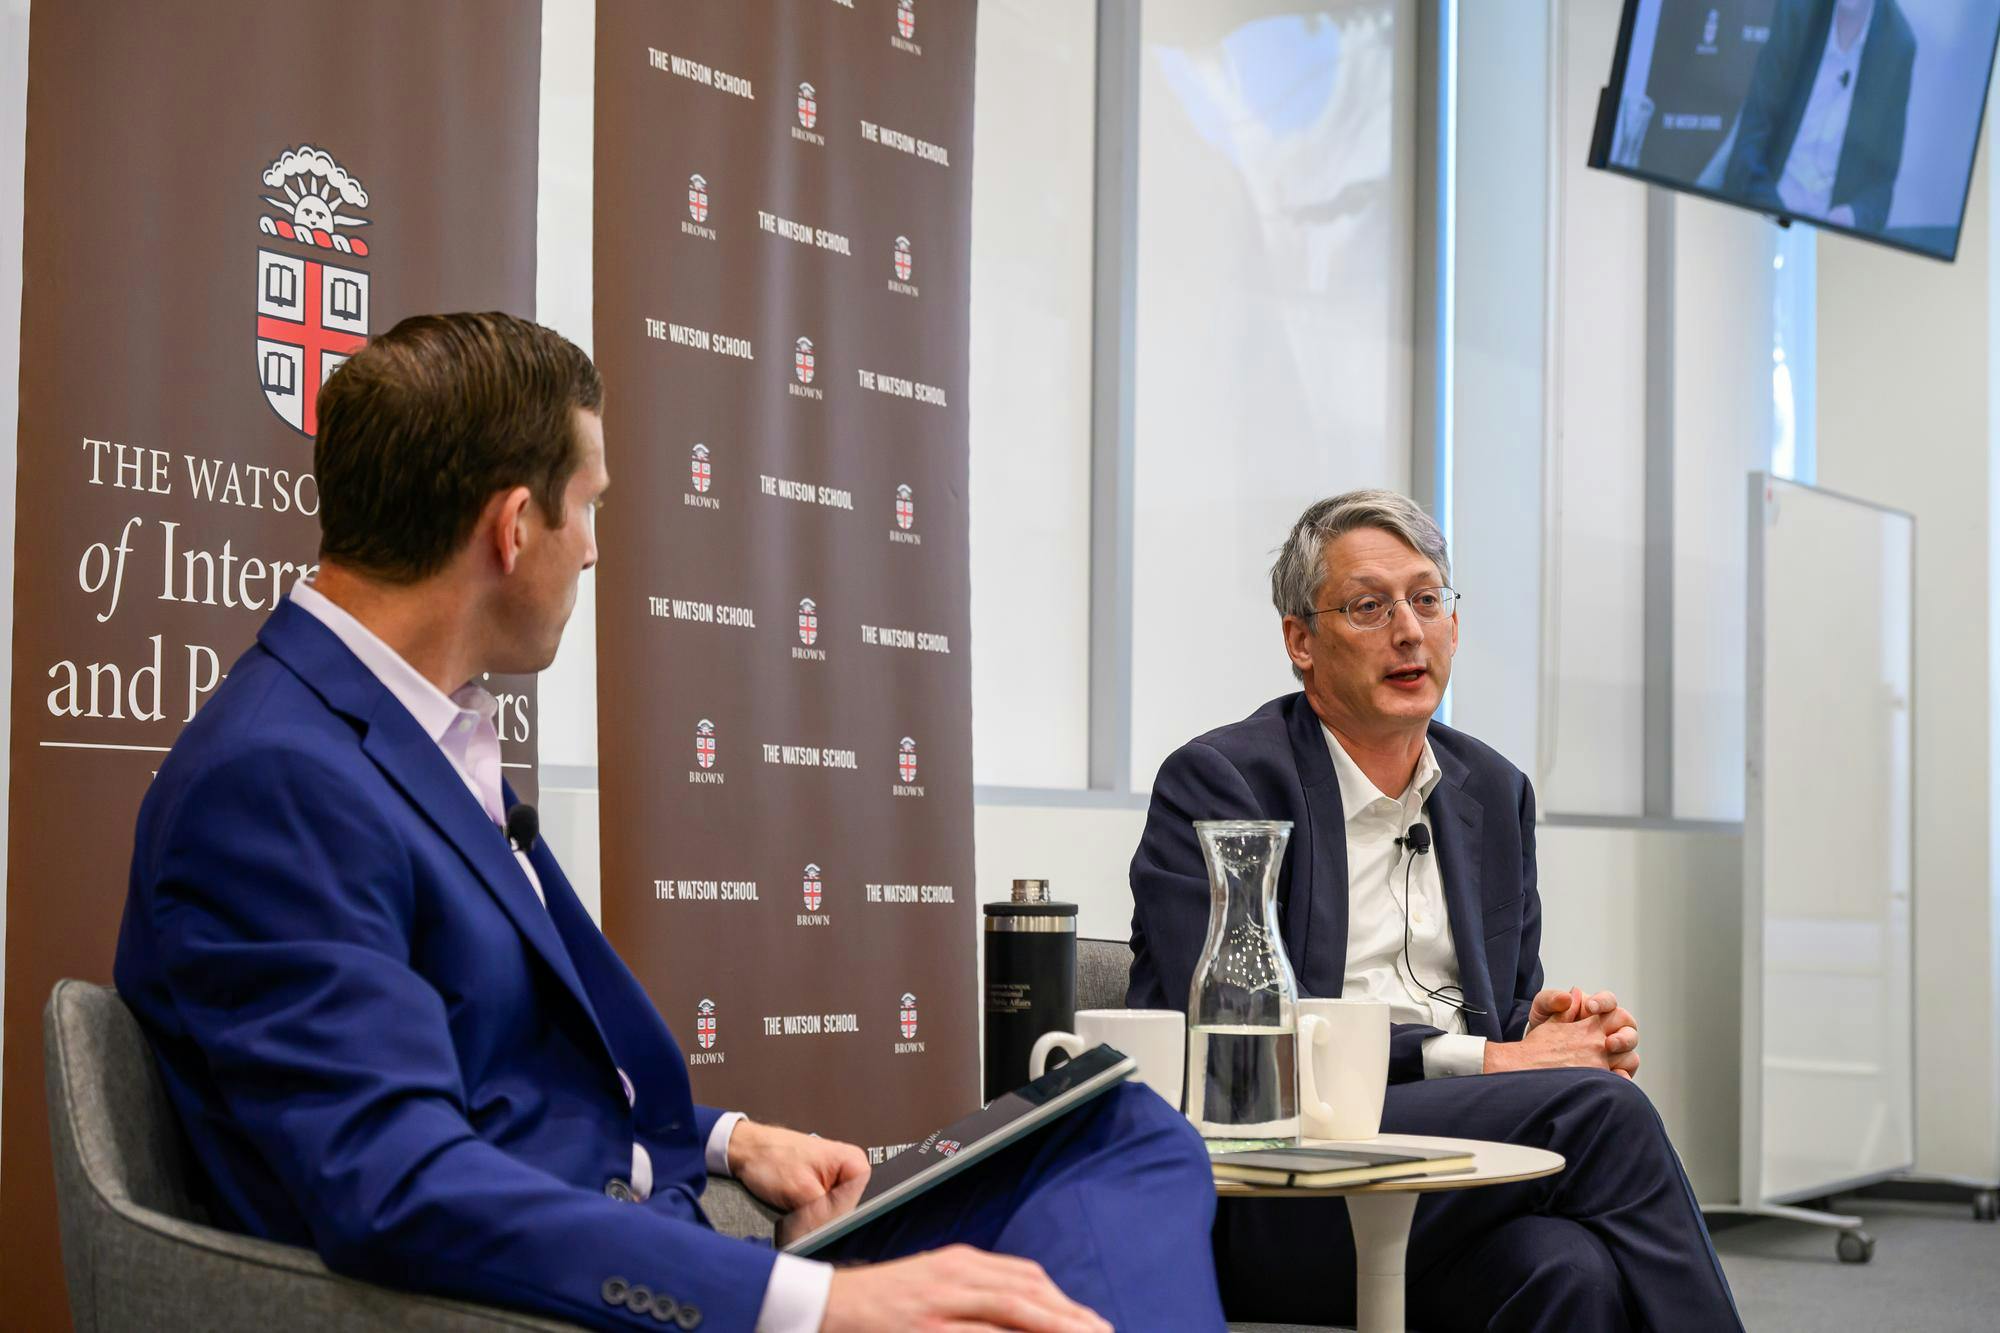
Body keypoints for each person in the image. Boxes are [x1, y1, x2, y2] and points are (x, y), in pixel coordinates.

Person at [114, 312, 1226, 1333]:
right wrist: (809, 1302)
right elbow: (398, 1185)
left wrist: (727, 1137)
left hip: (679, 1229)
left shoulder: (408, 727)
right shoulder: (274, 780)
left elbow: (501, 1055)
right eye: (589, 505)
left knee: (1115, 1130)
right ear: (512, 527)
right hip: (580, 1299)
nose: (594, 548)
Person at [1128, 490, 1742, 1331]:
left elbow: (1508, 1008)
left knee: (1568, 1270)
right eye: (1370, 607)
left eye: (1427, 599)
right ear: (1300, 641)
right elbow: (1246, 1037)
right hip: (1288, 1182)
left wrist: (1549, 1029)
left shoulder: (1492, 790)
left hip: (1452, 1182)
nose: (1409, 630)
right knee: (1600, 1112)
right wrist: (1492, 1062)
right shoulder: (1224, 784)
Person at [1722, 0, 1916, 233]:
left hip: (1829, 236)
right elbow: (1748, 147)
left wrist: (1851, 216)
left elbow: (1881, 187)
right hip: (1762, 214)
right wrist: (1782, 219)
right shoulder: (1797, 12)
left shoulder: (1897, 44)